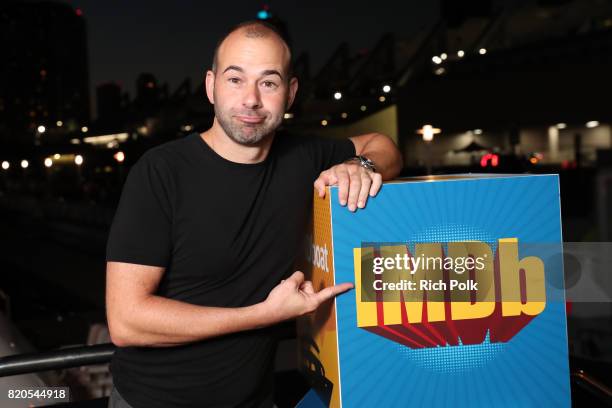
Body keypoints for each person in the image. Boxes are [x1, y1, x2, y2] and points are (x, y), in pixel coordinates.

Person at [105, 20, 402, 408]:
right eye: (235, 80)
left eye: (269, 82)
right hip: (153, 401)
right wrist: (263, 314)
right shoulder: (161, 172)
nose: (251, 100)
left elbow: (386, 147)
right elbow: (127, 322)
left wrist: (360, 165)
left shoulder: (303, 157)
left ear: (290, 93)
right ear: (210, 86)